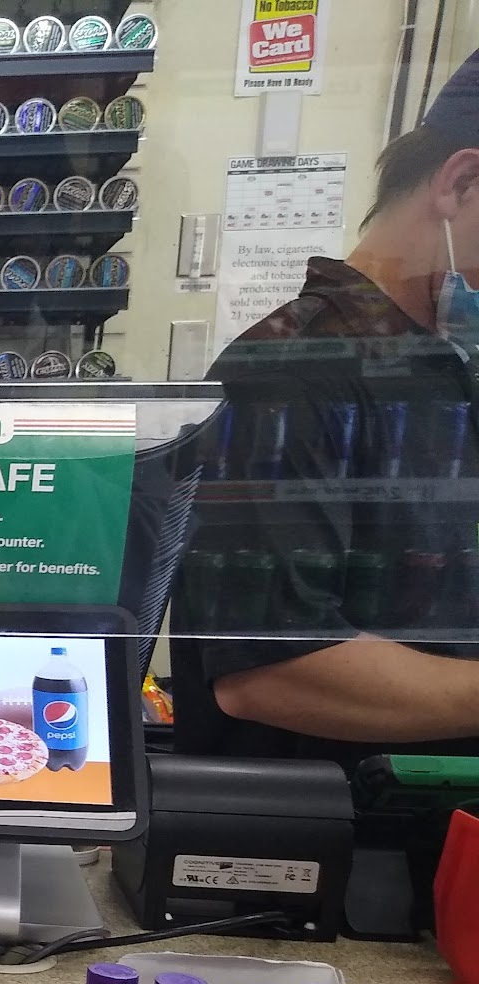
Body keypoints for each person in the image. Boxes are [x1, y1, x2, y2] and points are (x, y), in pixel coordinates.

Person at [174, 54, 479, 764]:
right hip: (340, 819)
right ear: (460, 183)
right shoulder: (291, 371)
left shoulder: (443, 367)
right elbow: (270, 673)